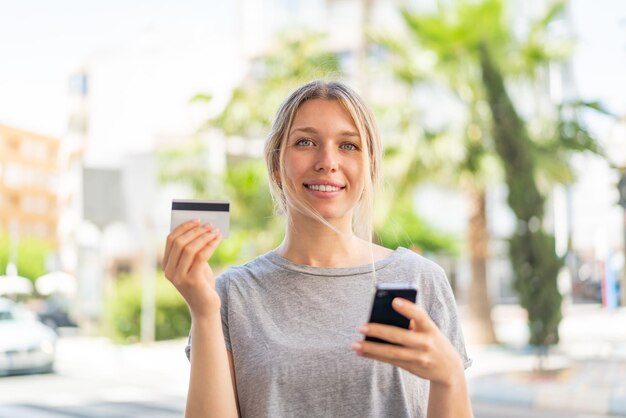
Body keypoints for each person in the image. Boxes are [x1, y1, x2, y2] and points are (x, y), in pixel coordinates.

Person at [163, 80, 473, 418]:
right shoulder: (232, 294)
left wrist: (450, 377)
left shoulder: (418, 279)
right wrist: (204, 313)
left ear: (369, 167)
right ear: (276, 165)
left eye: (348, 145)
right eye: (305, 142)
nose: (327, 161)